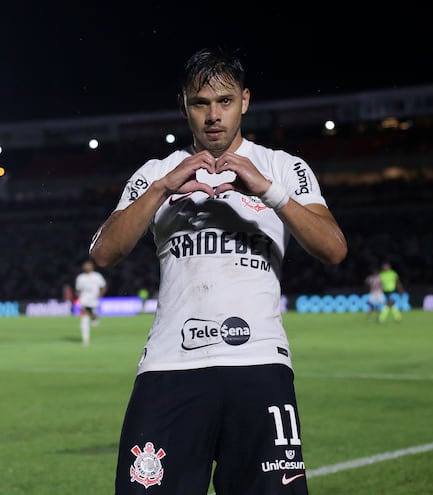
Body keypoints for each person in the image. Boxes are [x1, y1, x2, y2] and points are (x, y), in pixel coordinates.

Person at [89, 46, 347, 495]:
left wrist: (269, 193)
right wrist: (163, 189)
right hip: (170, 366)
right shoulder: (157, 171)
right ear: (183, 106)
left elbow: (334, 248)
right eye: (200, 103)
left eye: (224, 101)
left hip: (259, 365)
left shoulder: (282, 167)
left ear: (244, 101)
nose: (213, 116)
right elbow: (103, 252)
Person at [74, 259, 107, 345]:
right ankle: (85, 340)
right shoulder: (80, 278)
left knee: (94, 321)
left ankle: (94, 317)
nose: (87, 267)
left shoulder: (97, 276)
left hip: (94, 301)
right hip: (84, 301)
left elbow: (103, 286)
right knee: (84, 319)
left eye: (88, 265)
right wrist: (78, 296)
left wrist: (100, 295)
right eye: (85, 265)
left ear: (92, 267)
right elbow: (78, 290)